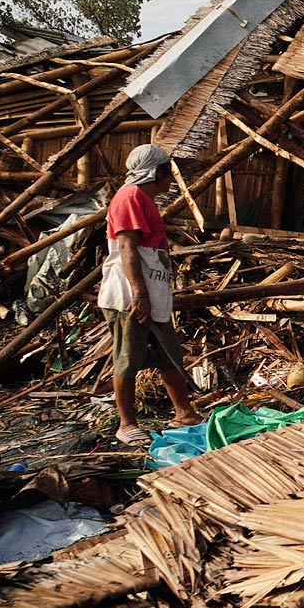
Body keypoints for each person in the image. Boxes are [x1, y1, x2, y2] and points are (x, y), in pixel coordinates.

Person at [98, 144, 202, 446]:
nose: (170, 179)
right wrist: (139, 294)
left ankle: (184, 412)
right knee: (127, 358)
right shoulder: (130, 198)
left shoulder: (142, 199)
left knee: (168, 354)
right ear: (156, 172)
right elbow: (128, 248)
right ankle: (126, 424)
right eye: (167, 172)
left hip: (150, 295)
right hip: (130, 295)